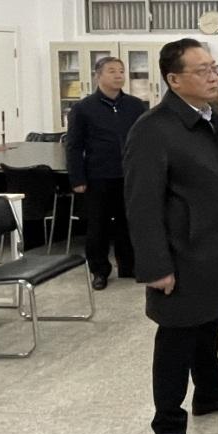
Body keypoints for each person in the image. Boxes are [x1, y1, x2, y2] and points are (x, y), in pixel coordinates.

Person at [124, 38, 218, 434]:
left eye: (214, 68)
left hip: (216, 248)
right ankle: (168, 430)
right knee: (176, 342)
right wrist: (155, 266)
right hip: (181, 256)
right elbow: (141, 204)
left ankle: (210, 393)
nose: (214, 76)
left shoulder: (211, 117)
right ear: (174, 79)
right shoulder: (153, 128)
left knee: (209, 325)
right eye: (202, 70)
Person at [66, 56, 146, 290]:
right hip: (98, 176)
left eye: (121, 71)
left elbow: (144, 140)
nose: (119, 75)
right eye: (112, 71)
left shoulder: (135, 105)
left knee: (127, 224)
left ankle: (128, 265)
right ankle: (99, 271)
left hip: (129, 175)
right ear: (98, 76)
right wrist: (77, 178)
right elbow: (74, 145)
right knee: (98, 227)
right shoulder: (83, 108)